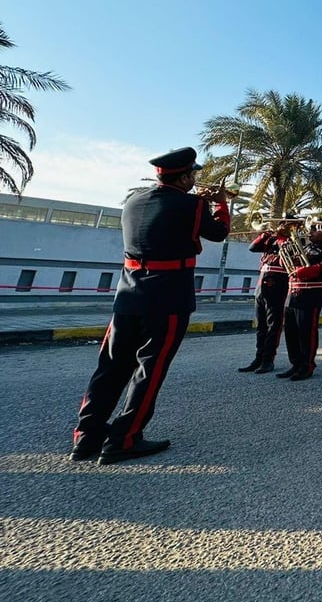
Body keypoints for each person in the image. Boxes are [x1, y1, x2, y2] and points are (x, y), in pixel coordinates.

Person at [71, 147, 230, 465]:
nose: (195, 179)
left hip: (128, 294)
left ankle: (86, 437)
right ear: (184, 176)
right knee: (150, 370)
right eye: (193, 175)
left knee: (110, 367)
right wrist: (221, 203)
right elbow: (219, 232)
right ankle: (125, 438)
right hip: (168, 298)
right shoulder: (193, 204)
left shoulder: (133, 201)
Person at [277, 224, 322, 381]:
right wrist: (285, 250)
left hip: (311, 293)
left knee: (306, 333)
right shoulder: (304, 246)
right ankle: (295, 364)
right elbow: (285, 265)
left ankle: (307, 366)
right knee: (291, 333)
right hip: (292, 293)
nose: (309, 232)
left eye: (314, 229)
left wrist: (306, 271)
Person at [239, 220, 293, 374]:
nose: (282, 226)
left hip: (278, 284)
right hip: (261, 285)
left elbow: (287, 252)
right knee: (261, 325)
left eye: (286, 225)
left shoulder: (293, 241)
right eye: (282, 224)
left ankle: (268, 359)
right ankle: (259, 357)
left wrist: (282, 236)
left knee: (273, 325)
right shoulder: (270, 240)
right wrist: (265, 235)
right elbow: (253, 247)